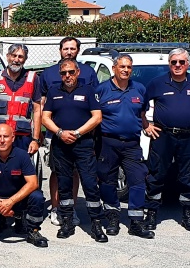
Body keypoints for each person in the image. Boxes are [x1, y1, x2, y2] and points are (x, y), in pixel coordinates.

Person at [143, 48, 190, 232]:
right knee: (156, 174)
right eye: (174, 62)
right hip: (162, 136)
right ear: (169, 64)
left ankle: (188, 214)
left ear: (187, 64)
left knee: (188, 175)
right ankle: (151, 213)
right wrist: (146, 126)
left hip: (188, 136)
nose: (177, 65)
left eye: (181, 62)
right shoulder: (157, 83)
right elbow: (140, 107)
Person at [41, 58, 106, 242]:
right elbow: (45, 118)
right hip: (61, 144)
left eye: (71, 72)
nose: (67, 76)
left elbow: (97, 117)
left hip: (83, 144)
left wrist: (77, 133)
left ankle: (96, 224)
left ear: (78, 72)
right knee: (64, 185)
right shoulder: (54, 92)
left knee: (90, 184)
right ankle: (67, 221)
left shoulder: (88, 91)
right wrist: (60, 133)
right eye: (63, 73)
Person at [34, 37, 100, 216]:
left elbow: (95, 105)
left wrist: (85, 133)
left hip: (82, 136)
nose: (69, 51)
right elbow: (41, 105)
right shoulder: (48, 73)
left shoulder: (89, 72)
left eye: (72, 48)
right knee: (57, 172)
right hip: (55, 134)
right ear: (60, 50)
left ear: (78, 51)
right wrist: (43, 131)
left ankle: (71, 210)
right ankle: (56, 208)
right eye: (65, 49)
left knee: (76, 172)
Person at [93, 54, 154, 239]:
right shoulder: (102, 90)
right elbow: (94, 116)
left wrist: (146, 125)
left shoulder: (140, 89)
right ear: (114, 68)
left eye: (128, 67)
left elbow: (142, 112)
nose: (125, 70)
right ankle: (112, 218)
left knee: (138, 180)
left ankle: (135, 222)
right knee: (107, 181)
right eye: (122, 67)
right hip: (107, 143)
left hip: (132, 143)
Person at [0, 123, 48, 247]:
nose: (2, 140)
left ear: (13, 138)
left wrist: (11, 202)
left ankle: (32, 230)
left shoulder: (22, 156)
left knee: (37, 197)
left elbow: (33, 183)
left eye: (6, 137)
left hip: (17, 200)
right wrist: (0, 205)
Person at [0, 43, 42, 155]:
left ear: (25, 59)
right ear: (7, 56)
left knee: (20, 171)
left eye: (20, 57)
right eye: (13, 55)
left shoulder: (33, 79)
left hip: (22, 138)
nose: (16, 59)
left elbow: (37, 110)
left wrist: (35, 140)